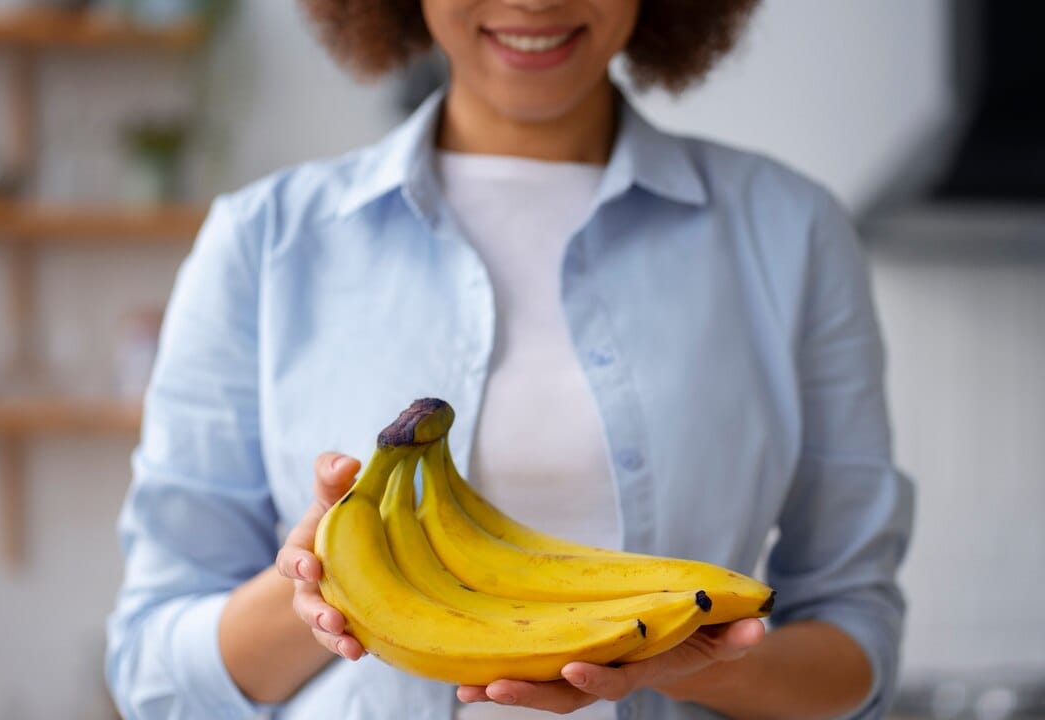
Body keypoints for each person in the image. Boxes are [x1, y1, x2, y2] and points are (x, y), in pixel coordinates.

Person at [105, 0, 915, 718]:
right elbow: (155, 675)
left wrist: (687, 667)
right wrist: (325, 585)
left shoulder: (791, 233)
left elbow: (854, 647)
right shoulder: (264, 241)